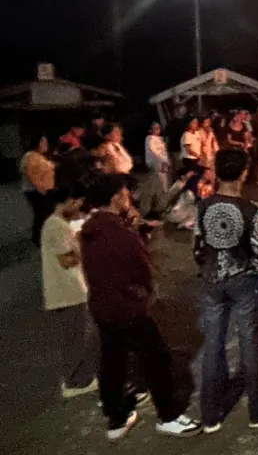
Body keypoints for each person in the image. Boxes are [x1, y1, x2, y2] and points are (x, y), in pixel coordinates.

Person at [79, 174, 201, 441]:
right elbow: (141, 269)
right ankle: (168, 416)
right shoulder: (118, 232)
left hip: (103, 306)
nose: (129, 198)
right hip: (128, 306)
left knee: (112, 362)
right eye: (124, 193)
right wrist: (144, 294)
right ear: (114, 198)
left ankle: (116, 418)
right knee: (157, 360)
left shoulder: (91, 228)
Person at [194, 149, 258, 433]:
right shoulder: (253, 210)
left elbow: (198, 247)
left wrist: (210, 269)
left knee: (213, 343)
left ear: (217, 172)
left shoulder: (203, 207)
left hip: (211, 280)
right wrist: (254, 275)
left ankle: (210, 415)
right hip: (244, 280)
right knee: (248, 341)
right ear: (244, 172)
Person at [41, 180, 99, 398]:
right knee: (75, 338)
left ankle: (78, 378)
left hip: (71, 290)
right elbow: (67, 259)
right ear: (69, 201)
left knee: (77, 336)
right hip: (67, 291)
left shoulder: (57, 223)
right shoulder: (54, 225)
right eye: (77, 203)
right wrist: (83, 243)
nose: (78, 208)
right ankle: (76, 382)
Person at [21, 134, 56, 246]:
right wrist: (40, 189)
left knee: (44, 213)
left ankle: (44, 236)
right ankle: (38, 238)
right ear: (37, 143)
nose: (46, 145)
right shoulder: (30, 156)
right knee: (41, 214)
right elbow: (31, 175)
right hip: (36, 191)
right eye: (43, 142)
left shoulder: (39, 156)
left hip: (44, 189)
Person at [143, 123, 171, 217]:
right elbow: (154, 153)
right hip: (156, 165)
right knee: (160, 187)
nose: (158, 130)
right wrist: (163, 161)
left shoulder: (160, 139)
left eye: (159, 128)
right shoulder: (150, 139)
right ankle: (159, 208)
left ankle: (161, 208)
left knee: (162, 186)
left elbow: (163, 152)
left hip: (163, 165)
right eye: (155, 128)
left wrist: (166, 161)